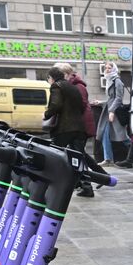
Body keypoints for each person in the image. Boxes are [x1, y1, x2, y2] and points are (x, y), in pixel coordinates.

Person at [44, 67, 95, 198]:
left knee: (54, 155)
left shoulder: (57, 86)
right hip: (79, 128)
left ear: (52, 77)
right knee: (79, 157)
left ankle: (53, 184)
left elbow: (55, 105)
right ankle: (87, 186)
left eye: (48, 78)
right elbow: (82, 105)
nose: (48, 81)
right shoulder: (73, 87)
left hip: (64, 128)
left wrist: (46, 114)